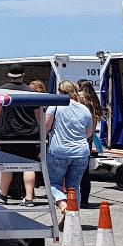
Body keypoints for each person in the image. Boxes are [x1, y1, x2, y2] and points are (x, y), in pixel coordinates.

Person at [0, 66, 39, 206]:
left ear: (9, 76)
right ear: (23, 75)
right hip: (30, 133)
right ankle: (28, 198)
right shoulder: (31, 92)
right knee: (30, 165)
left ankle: (3, 195)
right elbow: (38, 115)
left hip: (9, 133)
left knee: (6, 165)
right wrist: (42, 132)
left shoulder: (2, 91)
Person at [44, 80, 96, 220]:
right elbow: (89, 133)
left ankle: (64, 207)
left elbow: (46, 128)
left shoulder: (54, 107)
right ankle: (73, 218)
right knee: (74, 187)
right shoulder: (84, 109)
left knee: (53, 184)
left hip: (58, 151)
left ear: (60, 92)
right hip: (81, 152)